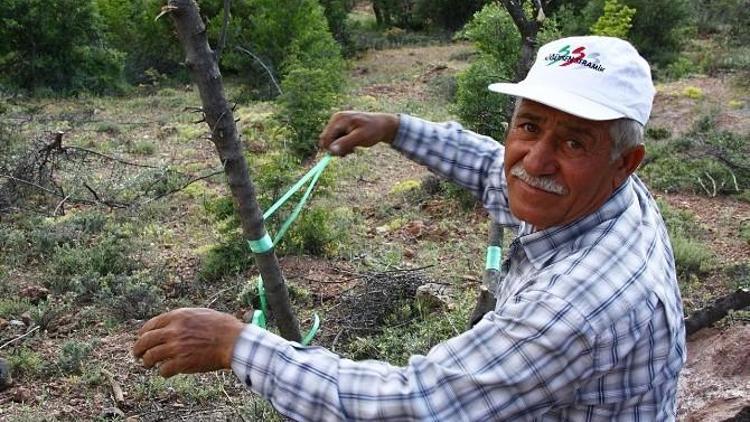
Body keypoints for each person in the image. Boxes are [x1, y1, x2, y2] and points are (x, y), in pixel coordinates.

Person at [133, 36, 686, 421]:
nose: (534, 160)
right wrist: (396, 128)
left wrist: (237, 345)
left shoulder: (577, 307)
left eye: (571, 141)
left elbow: (414, 406)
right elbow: (495, 169)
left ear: (625, 161)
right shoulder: (600, 197)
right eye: (529, 126)